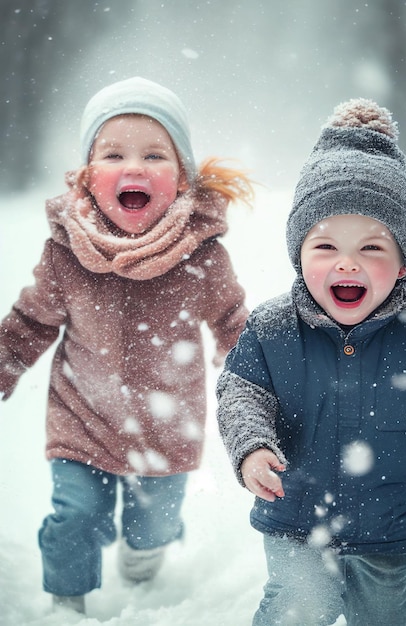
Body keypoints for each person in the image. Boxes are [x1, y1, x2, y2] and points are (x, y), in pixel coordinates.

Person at [0, 76, 253, 615]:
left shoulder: (200, 258)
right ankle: (66, 605)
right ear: (89, 177)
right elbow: (28, 322)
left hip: (166, 428)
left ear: (181, 178)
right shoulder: (67, 255)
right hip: (81, 418)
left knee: (153, 526)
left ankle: (145, 560)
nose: (134, 167)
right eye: (113, 153)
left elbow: (234, 322)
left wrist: (258, 377)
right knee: (75, 515)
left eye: (154, 155)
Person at [216, 98, 406, 626]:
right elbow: (242, 392)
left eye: (373, 248)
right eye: (326, 244)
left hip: (390, 519)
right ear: (299, 254)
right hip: (296, 513)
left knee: (387, 615)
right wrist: (252, 449)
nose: (348, 262)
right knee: (300, 607)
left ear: (402, 263)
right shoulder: (273, 327)